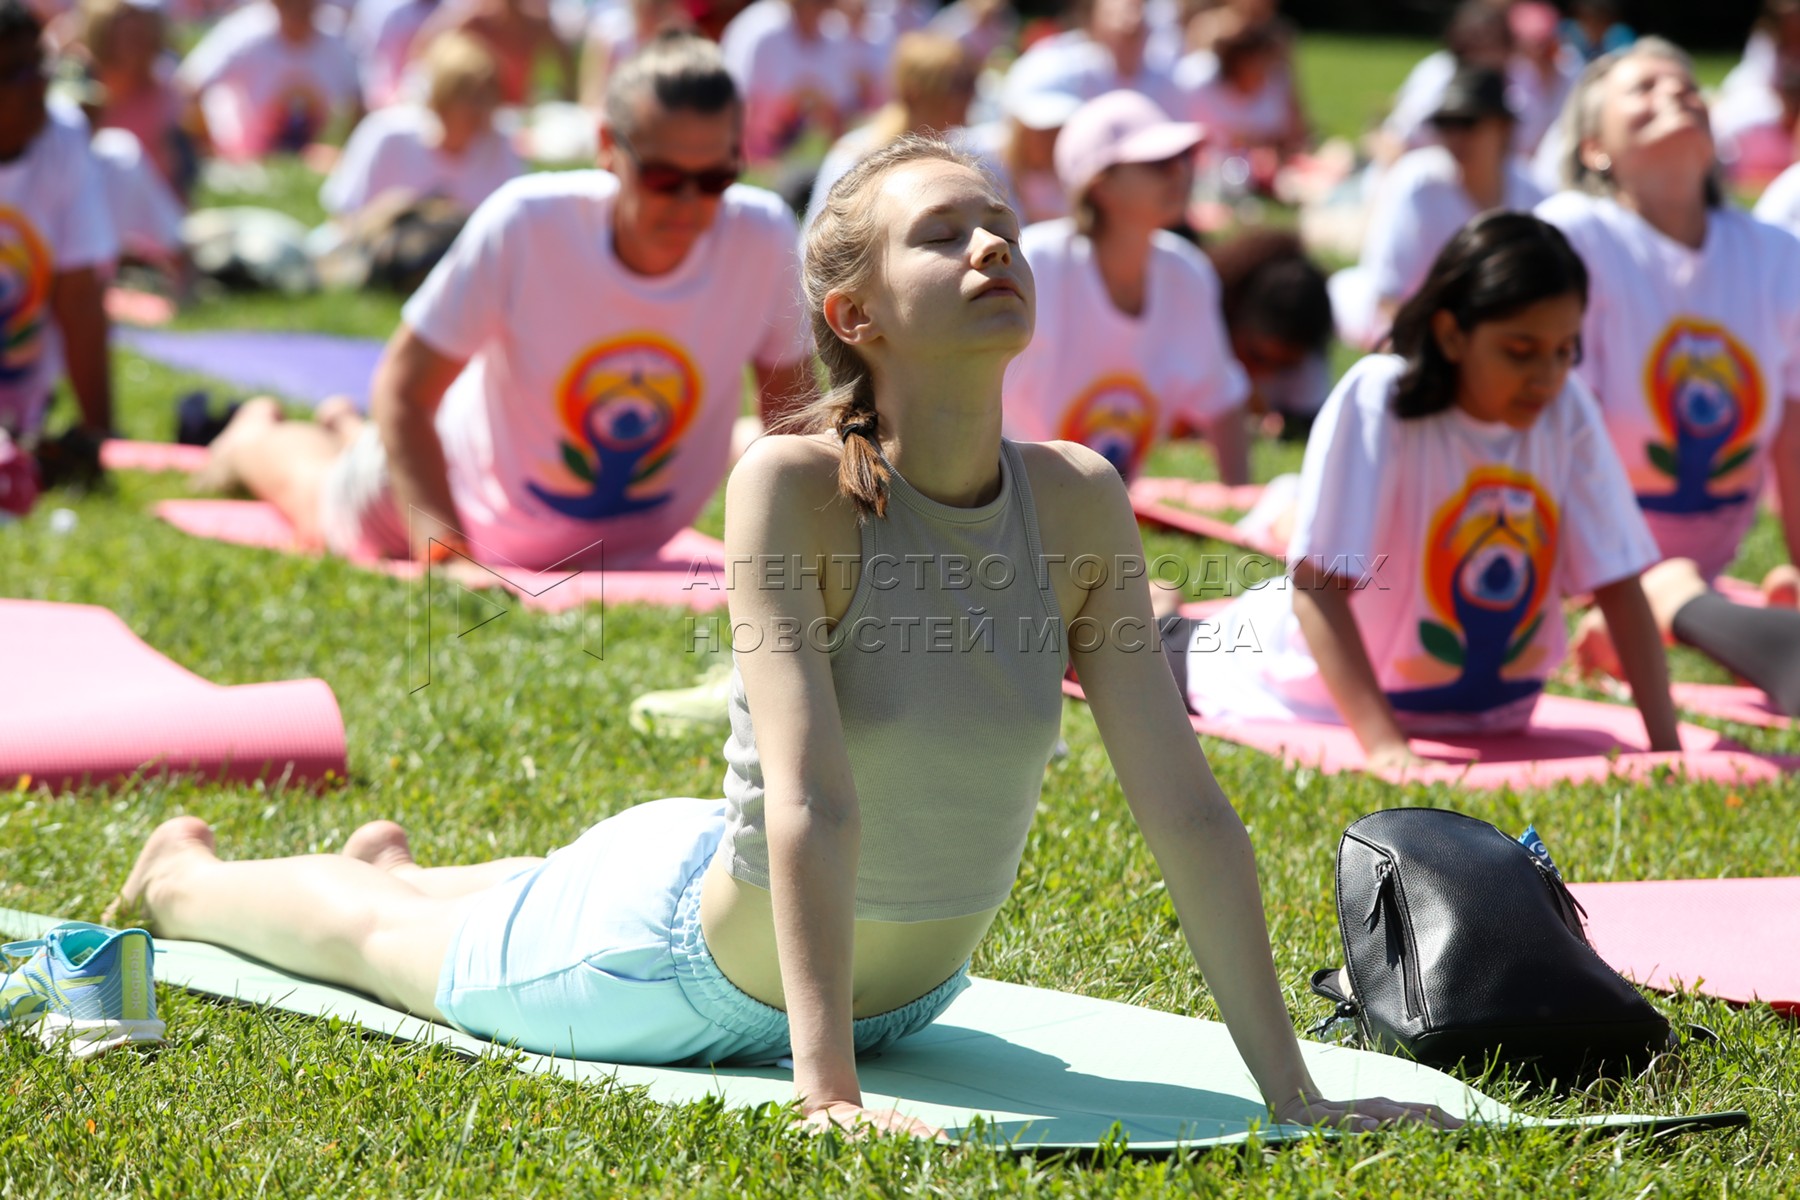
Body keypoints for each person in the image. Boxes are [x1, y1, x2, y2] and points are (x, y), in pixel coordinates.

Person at [107, 132, 1455, 1140]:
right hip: (682, 975)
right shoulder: (795, 483)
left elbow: (1189, 812)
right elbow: (808, 797)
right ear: (854, 317)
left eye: (1001, 226)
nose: (993, 245)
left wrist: (1297, 1093)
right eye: (946, 236)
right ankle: (184, 878)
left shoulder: (1080, 496)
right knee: (370, 938)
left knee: (535, 883)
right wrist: (826, 1094)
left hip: (895, 991)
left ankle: (419, 865)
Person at [194, 32, 813, 571]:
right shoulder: (529, 223)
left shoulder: (761, 233)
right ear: (606, 147)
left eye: (715, 179)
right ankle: (251, 436)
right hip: (456, 497)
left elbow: (794, 420)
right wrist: (442, 547)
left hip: (621, 537)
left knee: (359, 451)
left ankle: (341, 425)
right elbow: (405, 389)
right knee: (319, 498)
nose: (689, 203)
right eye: (662, 178)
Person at [1166, 212, 1680, 772]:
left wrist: (1667, 750)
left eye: (1564, 351)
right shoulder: (1379, 398)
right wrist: (1389, 750)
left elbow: (1619, 581)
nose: (1547, 376)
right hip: (1279, 678)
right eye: (1520, 350)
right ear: (1451, 334)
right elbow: (1317, 590)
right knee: (1132, 650)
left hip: (1490, 716)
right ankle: (1156, 604)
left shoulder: (1567, 407)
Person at [1538, 39, 1800, 717]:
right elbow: (1553, 425)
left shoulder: (1771, 253)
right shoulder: (1572, 234)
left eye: (1686, 85)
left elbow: (1793, 428)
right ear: (1595, 145)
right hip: (1575, 549)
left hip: (1705, 552)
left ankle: (1675, 604)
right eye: (1645, 87)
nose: (1676, 93)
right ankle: (1657, 604)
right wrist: (1608, 579)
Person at [1002, 90, 1250, 487]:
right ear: (1100, 184)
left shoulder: (1188, 272)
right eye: (1158, 163)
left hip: (1104, 509)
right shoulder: (1037, 263)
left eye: (1184, 158)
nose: (1181, 172)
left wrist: (1242, 503)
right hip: (1009, 495)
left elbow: (1221, 399)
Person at [1331, 66, 1545, 351]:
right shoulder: (1418, 182)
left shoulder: (1534, 195)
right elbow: (1388, 298)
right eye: (1446, 124)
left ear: (1503, 127)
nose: (1456, 136)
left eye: (1469, 122)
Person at [0, 0, 116, 453]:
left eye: (40, 65)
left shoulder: (63, 136)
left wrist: (100, 435)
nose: (37, 86)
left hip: (24, 407)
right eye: (13, 72)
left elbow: (79, 296)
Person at [320, 32, 521, 222]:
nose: (481, 109)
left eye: (488, 96)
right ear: (442, 99)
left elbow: (511, 223)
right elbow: (345, 216)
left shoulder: (500, 144)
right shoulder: (388, 134)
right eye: (470, 97)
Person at [801, 31, 975, 230]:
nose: (970, 94)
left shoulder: (970, 153)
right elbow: (815, 241)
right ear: (914, 92)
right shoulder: (856, 157)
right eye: (957, 85)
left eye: (970, 81)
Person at [177, 0, 362, 160]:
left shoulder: (335, 35)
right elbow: (187, 88)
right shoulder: (243, 32)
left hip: (310, 157)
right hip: (237, 160)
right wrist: (206, 150)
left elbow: (359, 104)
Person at [1204, 227, 1331, 443]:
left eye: (1284, 367)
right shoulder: (1202, 330)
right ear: (1234, 320)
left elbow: (1310, 425)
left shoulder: (1308, 364)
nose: (1266, 374)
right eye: (1258, 357)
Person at [720, 0, 865, 168]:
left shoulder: (836, 33)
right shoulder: (761, 30)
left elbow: (843, 111)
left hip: (810, 164)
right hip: (753, 162)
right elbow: (736, 106)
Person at [412, 0, 576, 106]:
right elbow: (425, 44)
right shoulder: (476, 20)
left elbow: (566, 58)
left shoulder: (537, 25)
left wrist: (570, 98)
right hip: (479, 111)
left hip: (517, 110)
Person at [577, 0, 692, 111]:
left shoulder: (682, 37)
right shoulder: (613, 35)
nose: (651, 12)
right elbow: (592, 94)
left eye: (658, 5)